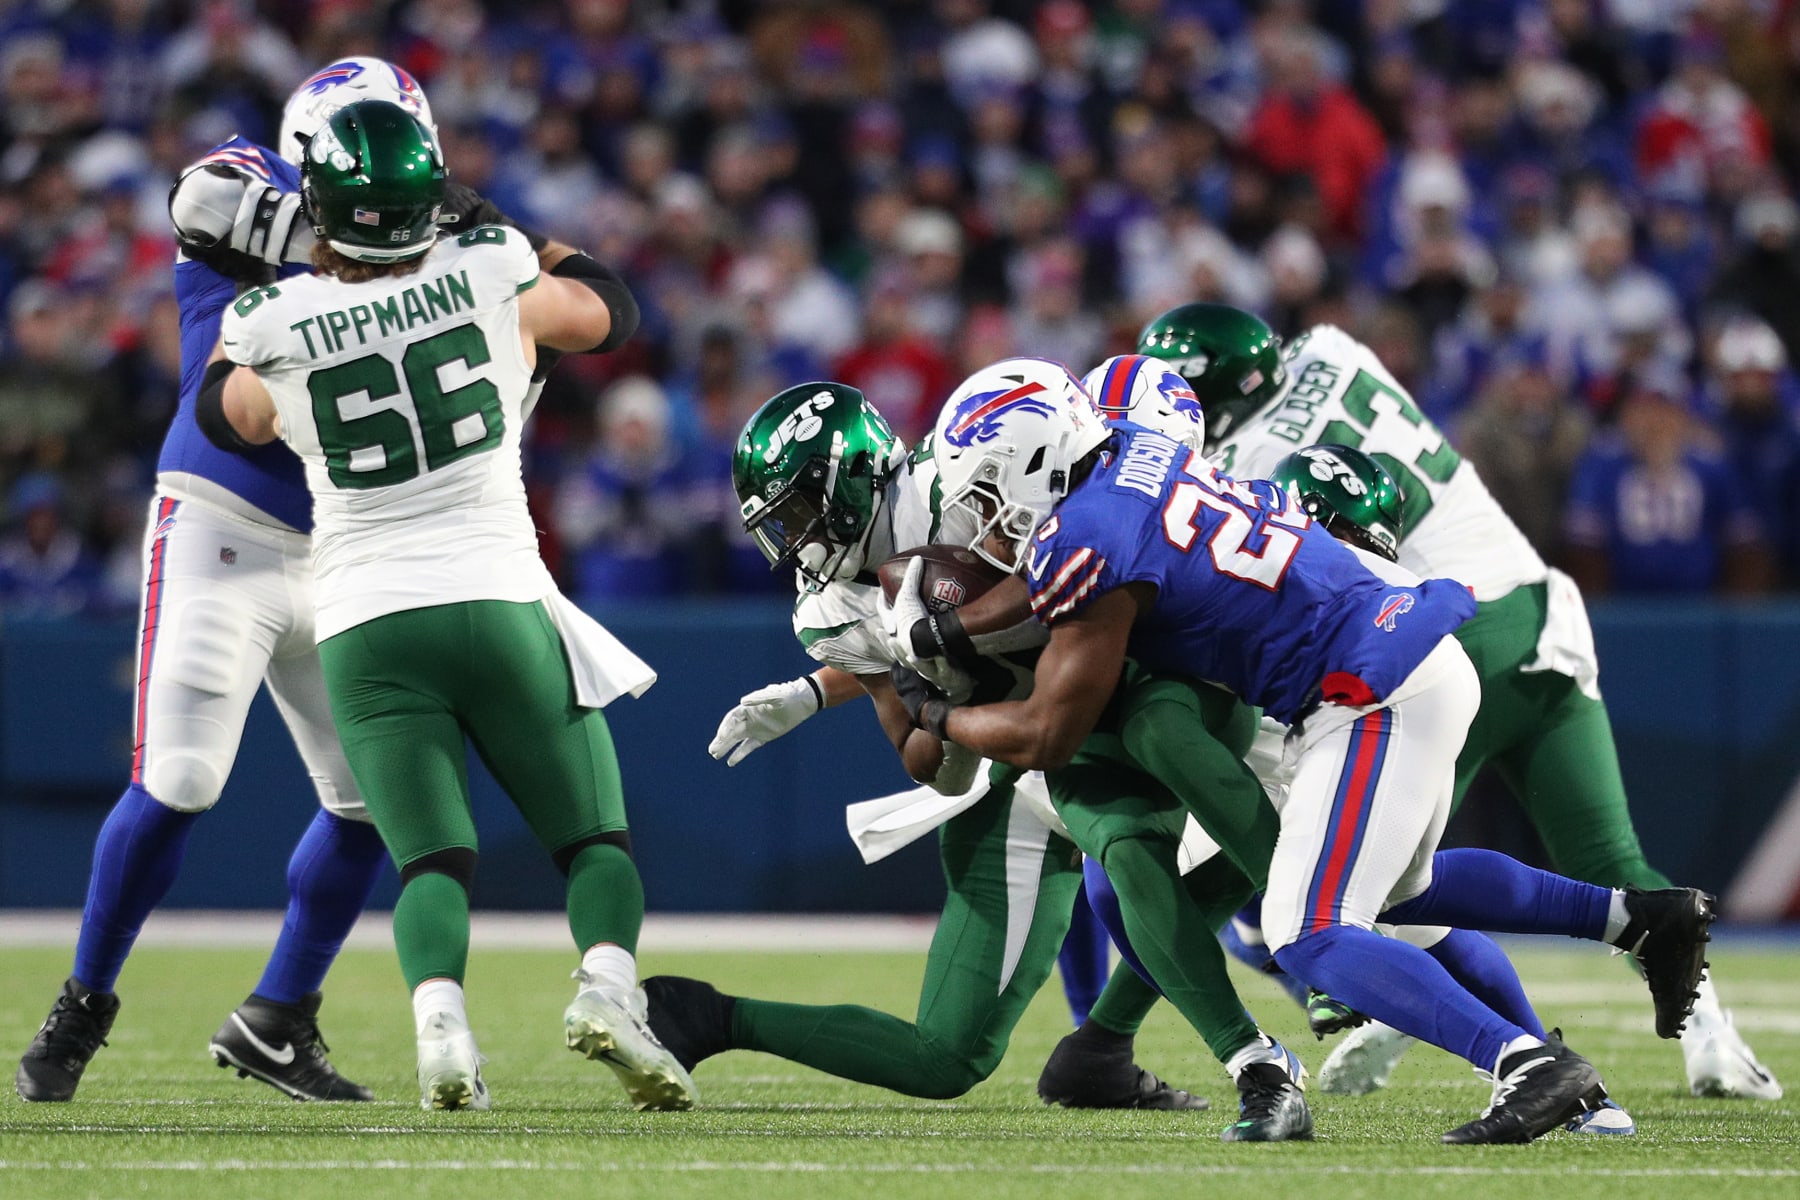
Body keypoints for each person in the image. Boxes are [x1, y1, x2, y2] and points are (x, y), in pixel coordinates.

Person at [880, 362, 1712, 1144]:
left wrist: (935, 710)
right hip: (1401, 660)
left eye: (990, 489)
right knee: (1403, 888)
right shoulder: (1138, 450)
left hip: (1366, 692)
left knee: (1308, 931)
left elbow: (1045, 735)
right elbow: (1083, 559)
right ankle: (1640, 917)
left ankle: (1528, 1064)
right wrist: (950, 626)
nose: (987, 514)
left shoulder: (1090, 529)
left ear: (1035, 458)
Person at [1138, 303, 1781, 1100]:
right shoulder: (1332, 348)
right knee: (1608, 864)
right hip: (1540, 615)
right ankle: (1713, 1039)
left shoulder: (1247, 463)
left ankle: (1383, 1004)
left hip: (1430, 639)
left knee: (1373, 882)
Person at [201, 98, 679, 1113]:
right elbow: (608, 308)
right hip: (500, 593)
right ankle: (607, 989)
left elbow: (225, 415)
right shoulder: (493, 263)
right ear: (430, 199)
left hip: (367, 621)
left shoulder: (274, 319)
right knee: (594, 842)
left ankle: (441, 1026)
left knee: (432, 860)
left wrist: (260, 271)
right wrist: (493, 218)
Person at [668, 380, 1277, 1125]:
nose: (792, 541)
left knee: (1140, 845)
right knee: (945, 1058)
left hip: (1123, 695)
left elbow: (1086, 559)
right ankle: (705, 1015)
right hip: (1012, 761)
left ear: (850, 481)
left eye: (798, 513)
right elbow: (929, 761)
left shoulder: (964, 478)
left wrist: (945, 636)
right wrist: (928, 692)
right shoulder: (829, 610)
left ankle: (1261, 1021)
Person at [17, 56, 438, 1106]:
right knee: (182, 780)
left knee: (375, 799)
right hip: (222, 523)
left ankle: (280, 1018)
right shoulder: (249, 183)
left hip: (348, 545)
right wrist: (364, 232)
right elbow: (199, 196)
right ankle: (83, 1001)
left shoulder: (428, 222)